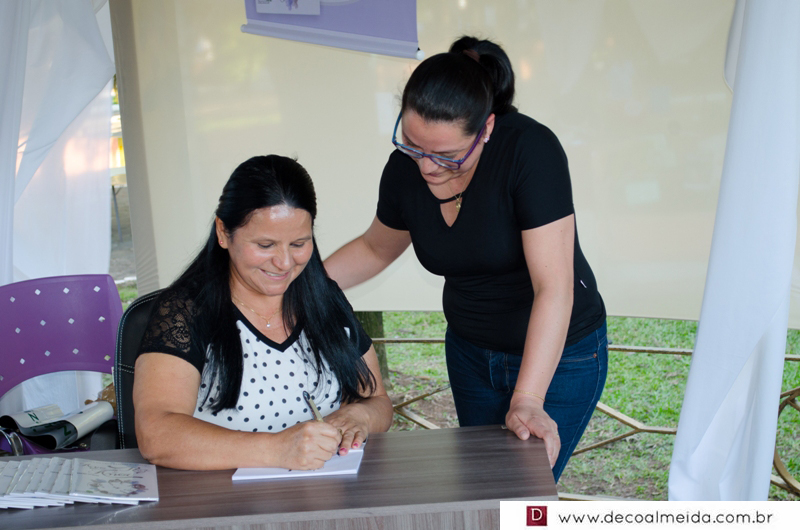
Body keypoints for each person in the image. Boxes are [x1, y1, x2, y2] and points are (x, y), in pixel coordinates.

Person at [324, 37, 607, 481]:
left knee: (522, 493)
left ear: (486, 128)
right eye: (413, 144)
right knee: (484, 488)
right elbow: (375, 248)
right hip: (470, 353)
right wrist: (298, 285)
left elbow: (554, 289)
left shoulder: (529, 152)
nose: (427, 167)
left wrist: (528, 399)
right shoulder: (405, 169)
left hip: (559, 358)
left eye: (447, 156)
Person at [133, 155, 393, 471]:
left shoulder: (324, 298)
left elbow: (378, 402)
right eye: (265, 245)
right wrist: (278, 450)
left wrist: (360, 416)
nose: (284, 263)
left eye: (298, 243)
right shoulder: (186, 311)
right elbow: (156, 435)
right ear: (223, 232)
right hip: (220, 496)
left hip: (322, 494)